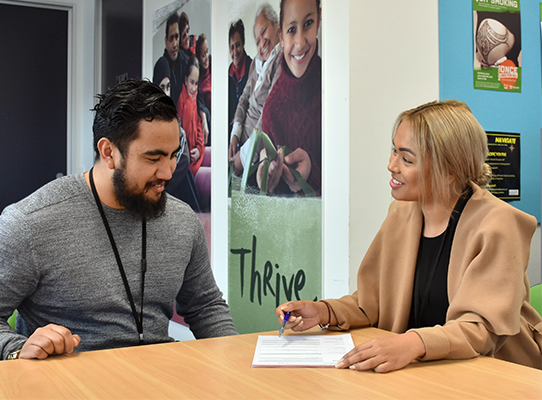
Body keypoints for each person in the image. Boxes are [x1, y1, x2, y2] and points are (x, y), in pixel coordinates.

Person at [0, 79, 236, 362]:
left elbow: (205, 306)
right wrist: (16, 349)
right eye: (153, 158)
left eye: (174, 155)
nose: (168, 172)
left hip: (156, 381)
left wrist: (238, 366)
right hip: (69, 385)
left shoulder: (182, 220)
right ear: (108, 152)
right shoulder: (31, 223)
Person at [276, 100, 542, 372]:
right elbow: (371, 304)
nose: (391, 165)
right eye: (394, 151)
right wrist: (323, 312)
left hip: (497, 375)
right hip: (425, 375)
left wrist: (412, 343)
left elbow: (481, 329)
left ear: (450, 170)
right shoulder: (401, 214)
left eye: (406, 159)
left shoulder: (499, 224)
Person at [256, 0, 321, 196]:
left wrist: (312, 173)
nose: (300, 42)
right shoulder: (271, 111)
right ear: (281, 37)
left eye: (308, 23)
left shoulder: (336, 88)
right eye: (292, 29)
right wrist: (268, 182)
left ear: (319, 20)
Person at [228, 4, 283, 177]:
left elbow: (269, 111)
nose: (262, 43)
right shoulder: (255, 63)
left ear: (277, 26)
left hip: (255, 149)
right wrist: (235, 134)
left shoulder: (281, 61)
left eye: (264, 31)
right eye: (257, 41)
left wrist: (243, 156)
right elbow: (243, 99)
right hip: (241, 142)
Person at [152, 57, 202, 212]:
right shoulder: (149, 118)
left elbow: (184, 154)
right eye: (161, 87)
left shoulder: (172, 115)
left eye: (167, 87)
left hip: (171, 181)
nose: (165, 92)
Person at [177, 56, 205, 176]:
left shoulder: (194, 96)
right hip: (190, 166)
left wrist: (199, 148)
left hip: (197, 155)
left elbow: (198, 124)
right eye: (191, 83)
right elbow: (186, 132)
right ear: (185, 80)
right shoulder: (183, 100)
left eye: (196, 84)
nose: (194, 88)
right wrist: (189, 101)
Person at [153, 12, 187, 106]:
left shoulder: (185, 62)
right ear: (166, 41)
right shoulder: (162, 68)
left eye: (177, 37)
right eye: (171, 38)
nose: (175, 43)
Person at [228, 19, 252, 135]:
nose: (235, 51)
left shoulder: (252, 68)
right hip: (232, 132)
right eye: (231, 47)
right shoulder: (227, 73)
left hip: (248, 129)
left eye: (237, 45)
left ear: (243, 44)